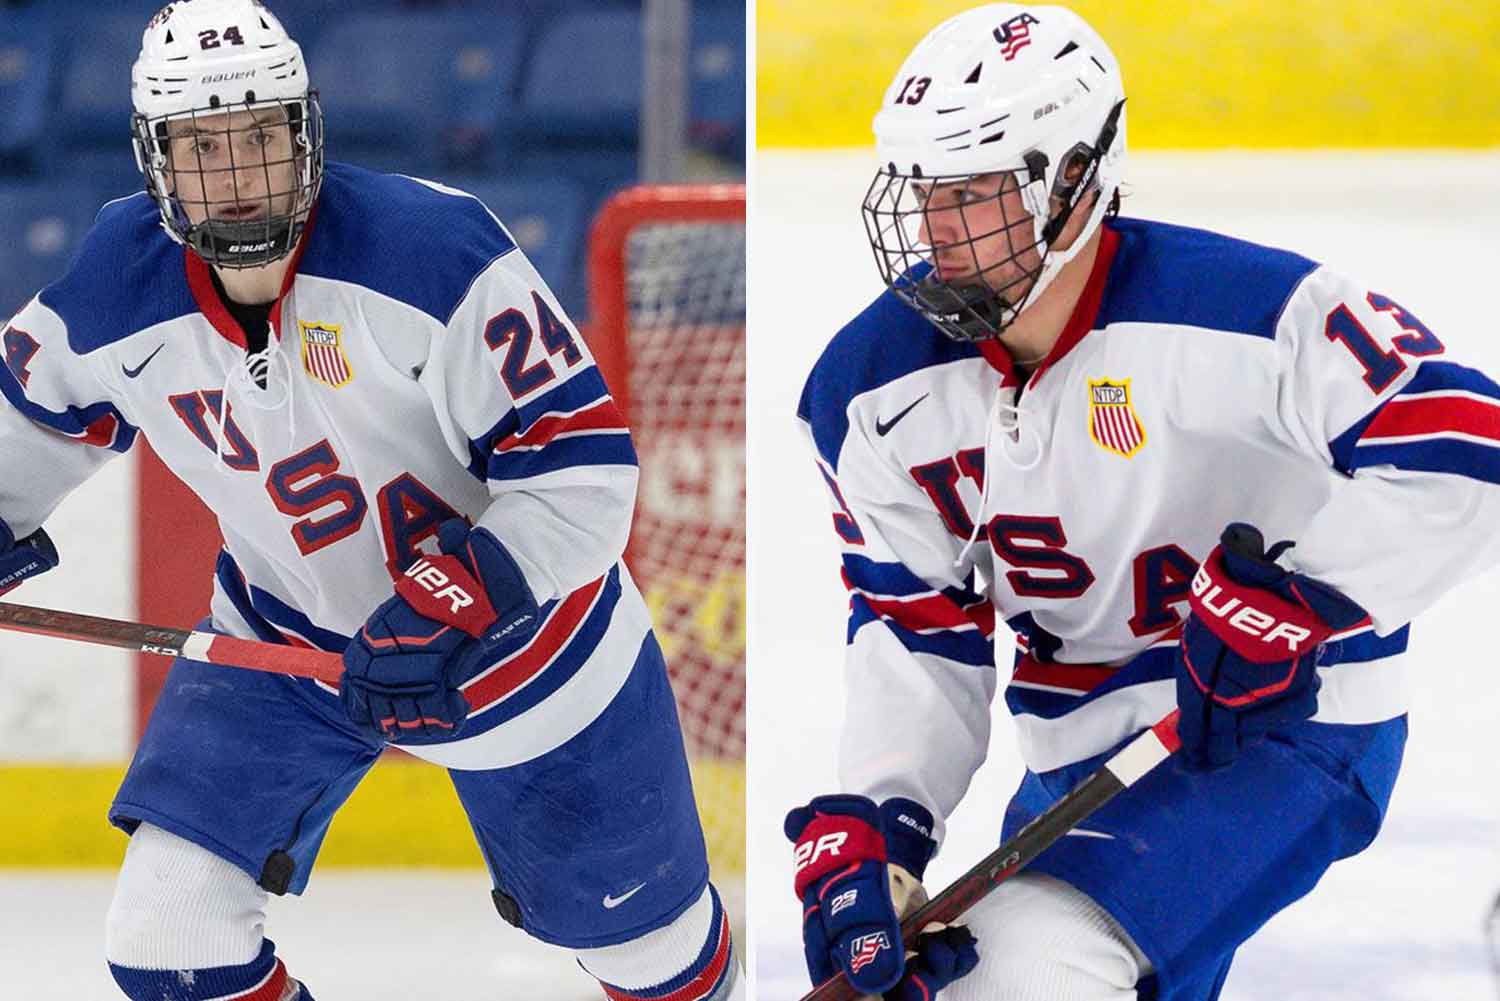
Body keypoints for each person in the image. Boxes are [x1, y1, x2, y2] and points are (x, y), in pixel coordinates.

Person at [0, 2, 741, 999]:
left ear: (306, 132)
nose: (234, 175)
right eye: (200, 146)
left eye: (260, 137)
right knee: (169, 934)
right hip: (282, 645)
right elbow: (28, 417)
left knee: (657, 961)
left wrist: (454, 598)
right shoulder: (120, 277)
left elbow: (583, 470)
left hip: (533, 658)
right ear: (153, 157)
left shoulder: (430, 248)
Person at [787, 4, 1500, 999]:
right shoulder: (867, 395)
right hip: (1073, 762)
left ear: (1075, 183)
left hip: (1287, 725)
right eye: (928, 189)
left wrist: (1304, 598)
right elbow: (918, 629)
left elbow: (1473, 449)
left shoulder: (1252, 315)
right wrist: (881, 817)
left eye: (979, 190)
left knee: (1011, 973)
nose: (938, 228)